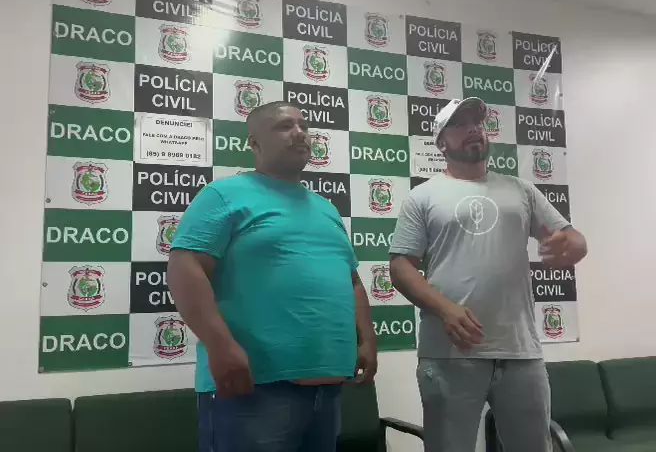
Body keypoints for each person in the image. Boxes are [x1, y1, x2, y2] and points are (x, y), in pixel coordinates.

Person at [167, 101, 377, 452]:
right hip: (252, 388)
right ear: (254, 142)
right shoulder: (223, 194)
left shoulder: (326, 208)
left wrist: (366, 338)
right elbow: (184, 266)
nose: (299, 133)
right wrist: (220, 345)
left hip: (328, 388)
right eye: (284, 126)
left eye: (304, 126)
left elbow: (351, 280)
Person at [388, 97, 588, 452]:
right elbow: (401, 267)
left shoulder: (521, 190)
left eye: (477, 123)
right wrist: (445, 309)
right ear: (441, 142)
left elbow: (574, 239)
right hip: (450, 353)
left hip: (521, 352)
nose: (473, 130)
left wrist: (571, 246)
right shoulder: (422, 196)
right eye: (460, 124)